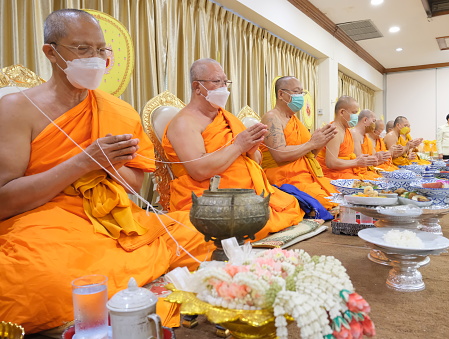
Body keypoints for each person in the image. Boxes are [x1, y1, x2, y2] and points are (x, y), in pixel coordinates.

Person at [0, 9, 213, 334]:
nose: (96, 59)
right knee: (36, 282)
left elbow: (133, 188)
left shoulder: (117, 111)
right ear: (51, 52)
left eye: (101, 49)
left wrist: (107, 165)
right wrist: (82, 163)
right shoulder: (17, 108)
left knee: (200, 230)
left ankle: (118, 286)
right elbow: (5, 201)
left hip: (117, 221)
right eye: (83, 49)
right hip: (49, 221)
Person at [161, 59, 304, 240]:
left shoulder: (227, 117)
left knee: (291, 204)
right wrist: (238, 146)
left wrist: (251, 149)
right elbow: (199, 170)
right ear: (197, 86)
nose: (223, 87)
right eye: (216, 81)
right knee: (219, 230)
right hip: (211, 197)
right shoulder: (184, 123)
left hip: (247, 193)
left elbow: (257, 160)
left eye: (225, 82)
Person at [260, 76, 338, 210]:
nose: (300, 96)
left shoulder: (294, 120)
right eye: (296, 92)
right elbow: (280, 155)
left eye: (302, 92)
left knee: (339, 192)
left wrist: (320, 142)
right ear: (281, 94)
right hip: (283, 178)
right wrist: (312, 143)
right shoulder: (272, 118)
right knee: (325, 202)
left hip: (305, 175)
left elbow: (310, 154)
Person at [315, 96, 379, 180]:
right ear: (342, 112)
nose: (356, 117)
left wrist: (363, 159)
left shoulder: (346, 130)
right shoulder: (334, 131)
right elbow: (331, 163)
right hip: (333, 175)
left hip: (346, 172)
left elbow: (348, 156)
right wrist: (356, 162)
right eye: (354, 112)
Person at [350, 109, 387, 179]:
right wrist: (374, 158)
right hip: (357, 173)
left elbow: (373, 157)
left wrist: (378, 156)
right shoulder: (354, 133)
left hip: (367, 171)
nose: (374, 125)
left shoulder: (366, 136)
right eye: (373, 121)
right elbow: (359, 159)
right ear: (365, 120)